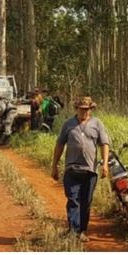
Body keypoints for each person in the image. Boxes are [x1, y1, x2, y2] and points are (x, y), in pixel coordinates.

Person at [51, 96, 110, 242]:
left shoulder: (97, 124)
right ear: (77, 109)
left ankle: (82, 230)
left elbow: (104, 144)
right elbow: (59, 145)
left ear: (91, 109)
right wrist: (54, 166)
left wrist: (105, 164)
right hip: (72, 169)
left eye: (87, 109)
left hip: (90, 171)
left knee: (86, 202)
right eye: (82, 109)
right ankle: (73, 230)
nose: (85, 112)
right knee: (73, 200)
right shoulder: (68, 124)